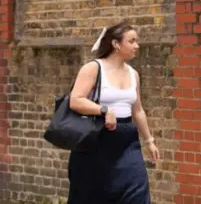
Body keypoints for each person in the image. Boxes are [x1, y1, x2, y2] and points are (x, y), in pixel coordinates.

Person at [66, 21, 159, 204]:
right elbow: (75, 100)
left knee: (137, 191)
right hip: (96, 141)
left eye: (136, 41)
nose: (136, 46)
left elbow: (138, 110)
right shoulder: (93, 68)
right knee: (91, 195)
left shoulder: (133, 74)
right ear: (116, 44)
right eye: (131, 41)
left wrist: (149, 141)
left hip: (127, 142)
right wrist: (103, 109)